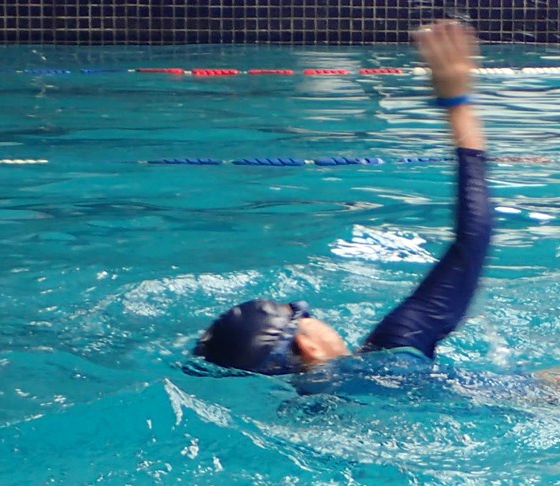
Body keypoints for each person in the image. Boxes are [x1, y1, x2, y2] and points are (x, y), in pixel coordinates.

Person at [193, 21, 491, 377]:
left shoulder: (303, 416)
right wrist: (456, 101)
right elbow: (471, 241)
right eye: (306, 315)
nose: (317, 315)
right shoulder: (395, 349)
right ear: (308, 346)